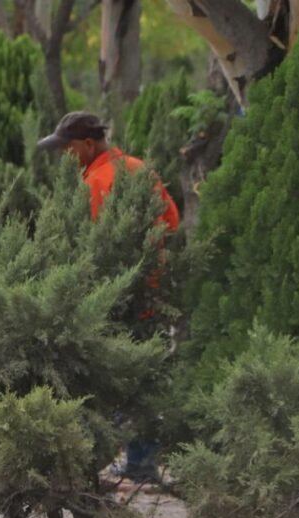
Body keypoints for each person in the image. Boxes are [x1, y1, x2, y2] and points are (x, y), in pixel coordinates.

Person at [39, 111, 180, 483]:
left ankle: (94, 461)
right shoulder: (138, 168)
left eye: (67, 149)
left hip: (113, 294)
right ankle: (141, 461)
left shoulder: (98, 180)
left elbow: (92, 248)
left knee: (108, 377)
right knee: (144, 374)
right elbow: (172, 220)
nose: (64, 157)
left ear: (88, 144)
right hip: (150, 291)